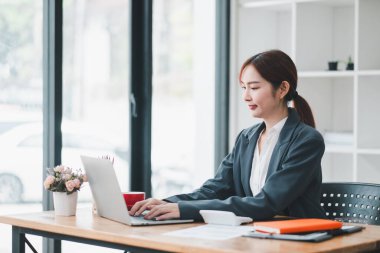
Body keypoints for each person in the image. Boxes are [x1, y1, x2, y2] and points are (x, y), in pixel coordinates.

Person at [129, 49, 326, 221]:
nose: (246, 96)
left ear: (283, 88)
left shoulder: (307, 140)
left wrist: (184, 210)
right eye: (244, 87)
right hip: (255, 235)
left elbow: (267, 202)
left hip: (298, 240)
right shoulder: (246, 138)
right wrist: (166, 203)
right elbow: (215, 189)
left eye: (254, 87)